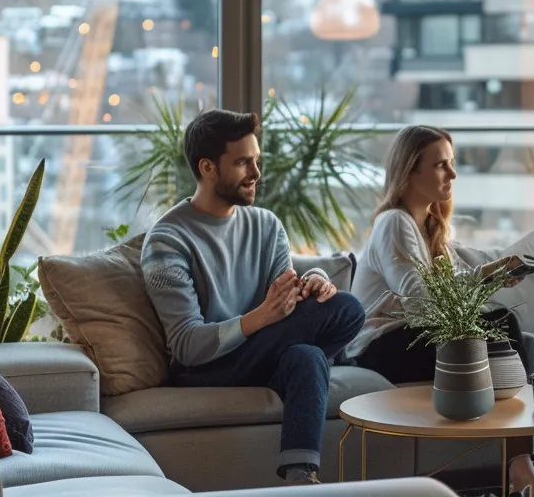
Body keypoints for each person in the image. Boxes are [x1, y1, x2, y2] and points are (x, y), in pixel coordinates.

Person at [141, 109, 366, 486]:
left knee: (318, 341)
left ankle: (300, 479)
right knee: (341, 316)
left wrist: (314, 280)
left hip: (266, 353)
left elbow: (287, 294)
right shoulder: (167, 240)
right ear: (208, 167)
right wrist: (261, 316)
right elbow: (185, 345)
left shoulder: (265, 225)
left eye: (256, 160)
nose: (256, 173)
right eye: (243, 162)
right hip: (207, 369)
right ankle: (334, 355)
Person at [347, 125, 534, 495]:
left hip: (414, 339)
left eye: (452, 163)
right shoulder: (394, 223)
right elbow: (423, 302)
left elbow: (450, 295)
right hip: (380, 347)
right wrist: (484, 279)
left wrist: (492, 276)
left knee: (525, 341)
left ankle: (522, 469)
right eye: (442, 165)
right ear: (411, 171)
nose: (453, 174)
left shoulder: (430, 226)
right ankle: (523, 474)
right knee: (506, 326)